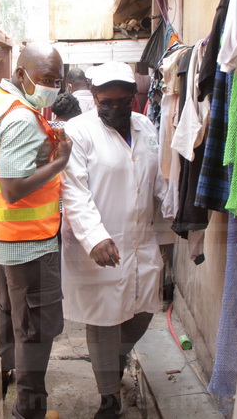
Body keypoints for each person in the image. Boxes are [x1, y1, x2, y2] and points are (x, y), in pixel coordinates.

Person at [60, 61, 164, 419]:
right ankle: (109, 396)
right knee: (103, 320)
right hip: (99, 243)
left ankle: (114, 361)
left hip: (140, 238)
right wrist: (94, 238)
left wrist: (173, 220)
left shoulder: (146, 125)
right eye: (107, 102)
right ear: (94, 95)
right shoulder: (78, 130)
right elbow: (73, 190)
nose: (116, 109)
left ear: (134, 98)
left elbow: (157, 178)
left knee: (144, 308)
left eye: (124, 102)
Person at [0, 42, 72, 419]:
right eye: (45, 80)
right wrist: (59, 163)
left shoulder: (10, 104)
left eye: (57, 81)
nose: (52, 87)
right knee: (36, 333)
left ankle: (9, 389)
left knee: (13, 322)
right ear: (22, 74)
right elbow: (11, 189)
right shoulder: (23, 118)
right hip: (30, 248)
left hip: (11, 244)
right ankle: (29, 411)